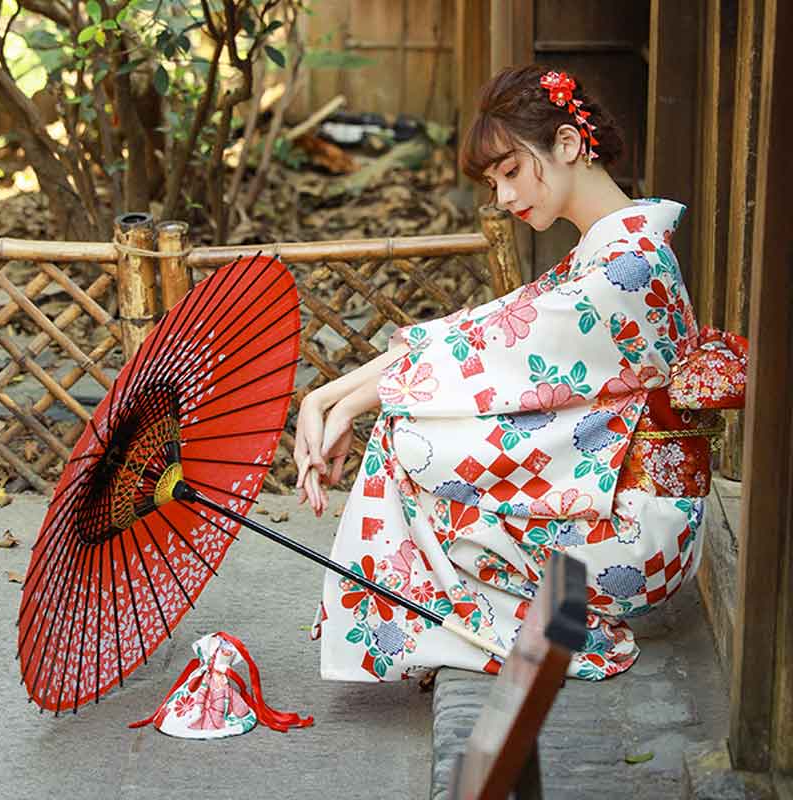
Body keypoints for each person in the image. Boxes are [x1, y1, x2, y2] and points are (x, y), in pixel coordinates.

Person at [294, 64, 717, 682]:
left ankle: (451, 629)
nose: (505, 198)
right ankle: (434, 626)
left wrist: (349, 403)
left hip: (638, 534)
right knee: (409, 432)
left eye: (512, 171)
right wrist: (329, 397)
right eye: (495, 182)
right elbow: (481, 329)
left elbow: (485, 347)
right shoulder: (610, 251)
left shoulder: (627, 269)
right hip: (622, 500)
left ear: (568, 144)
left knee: (410, 440)